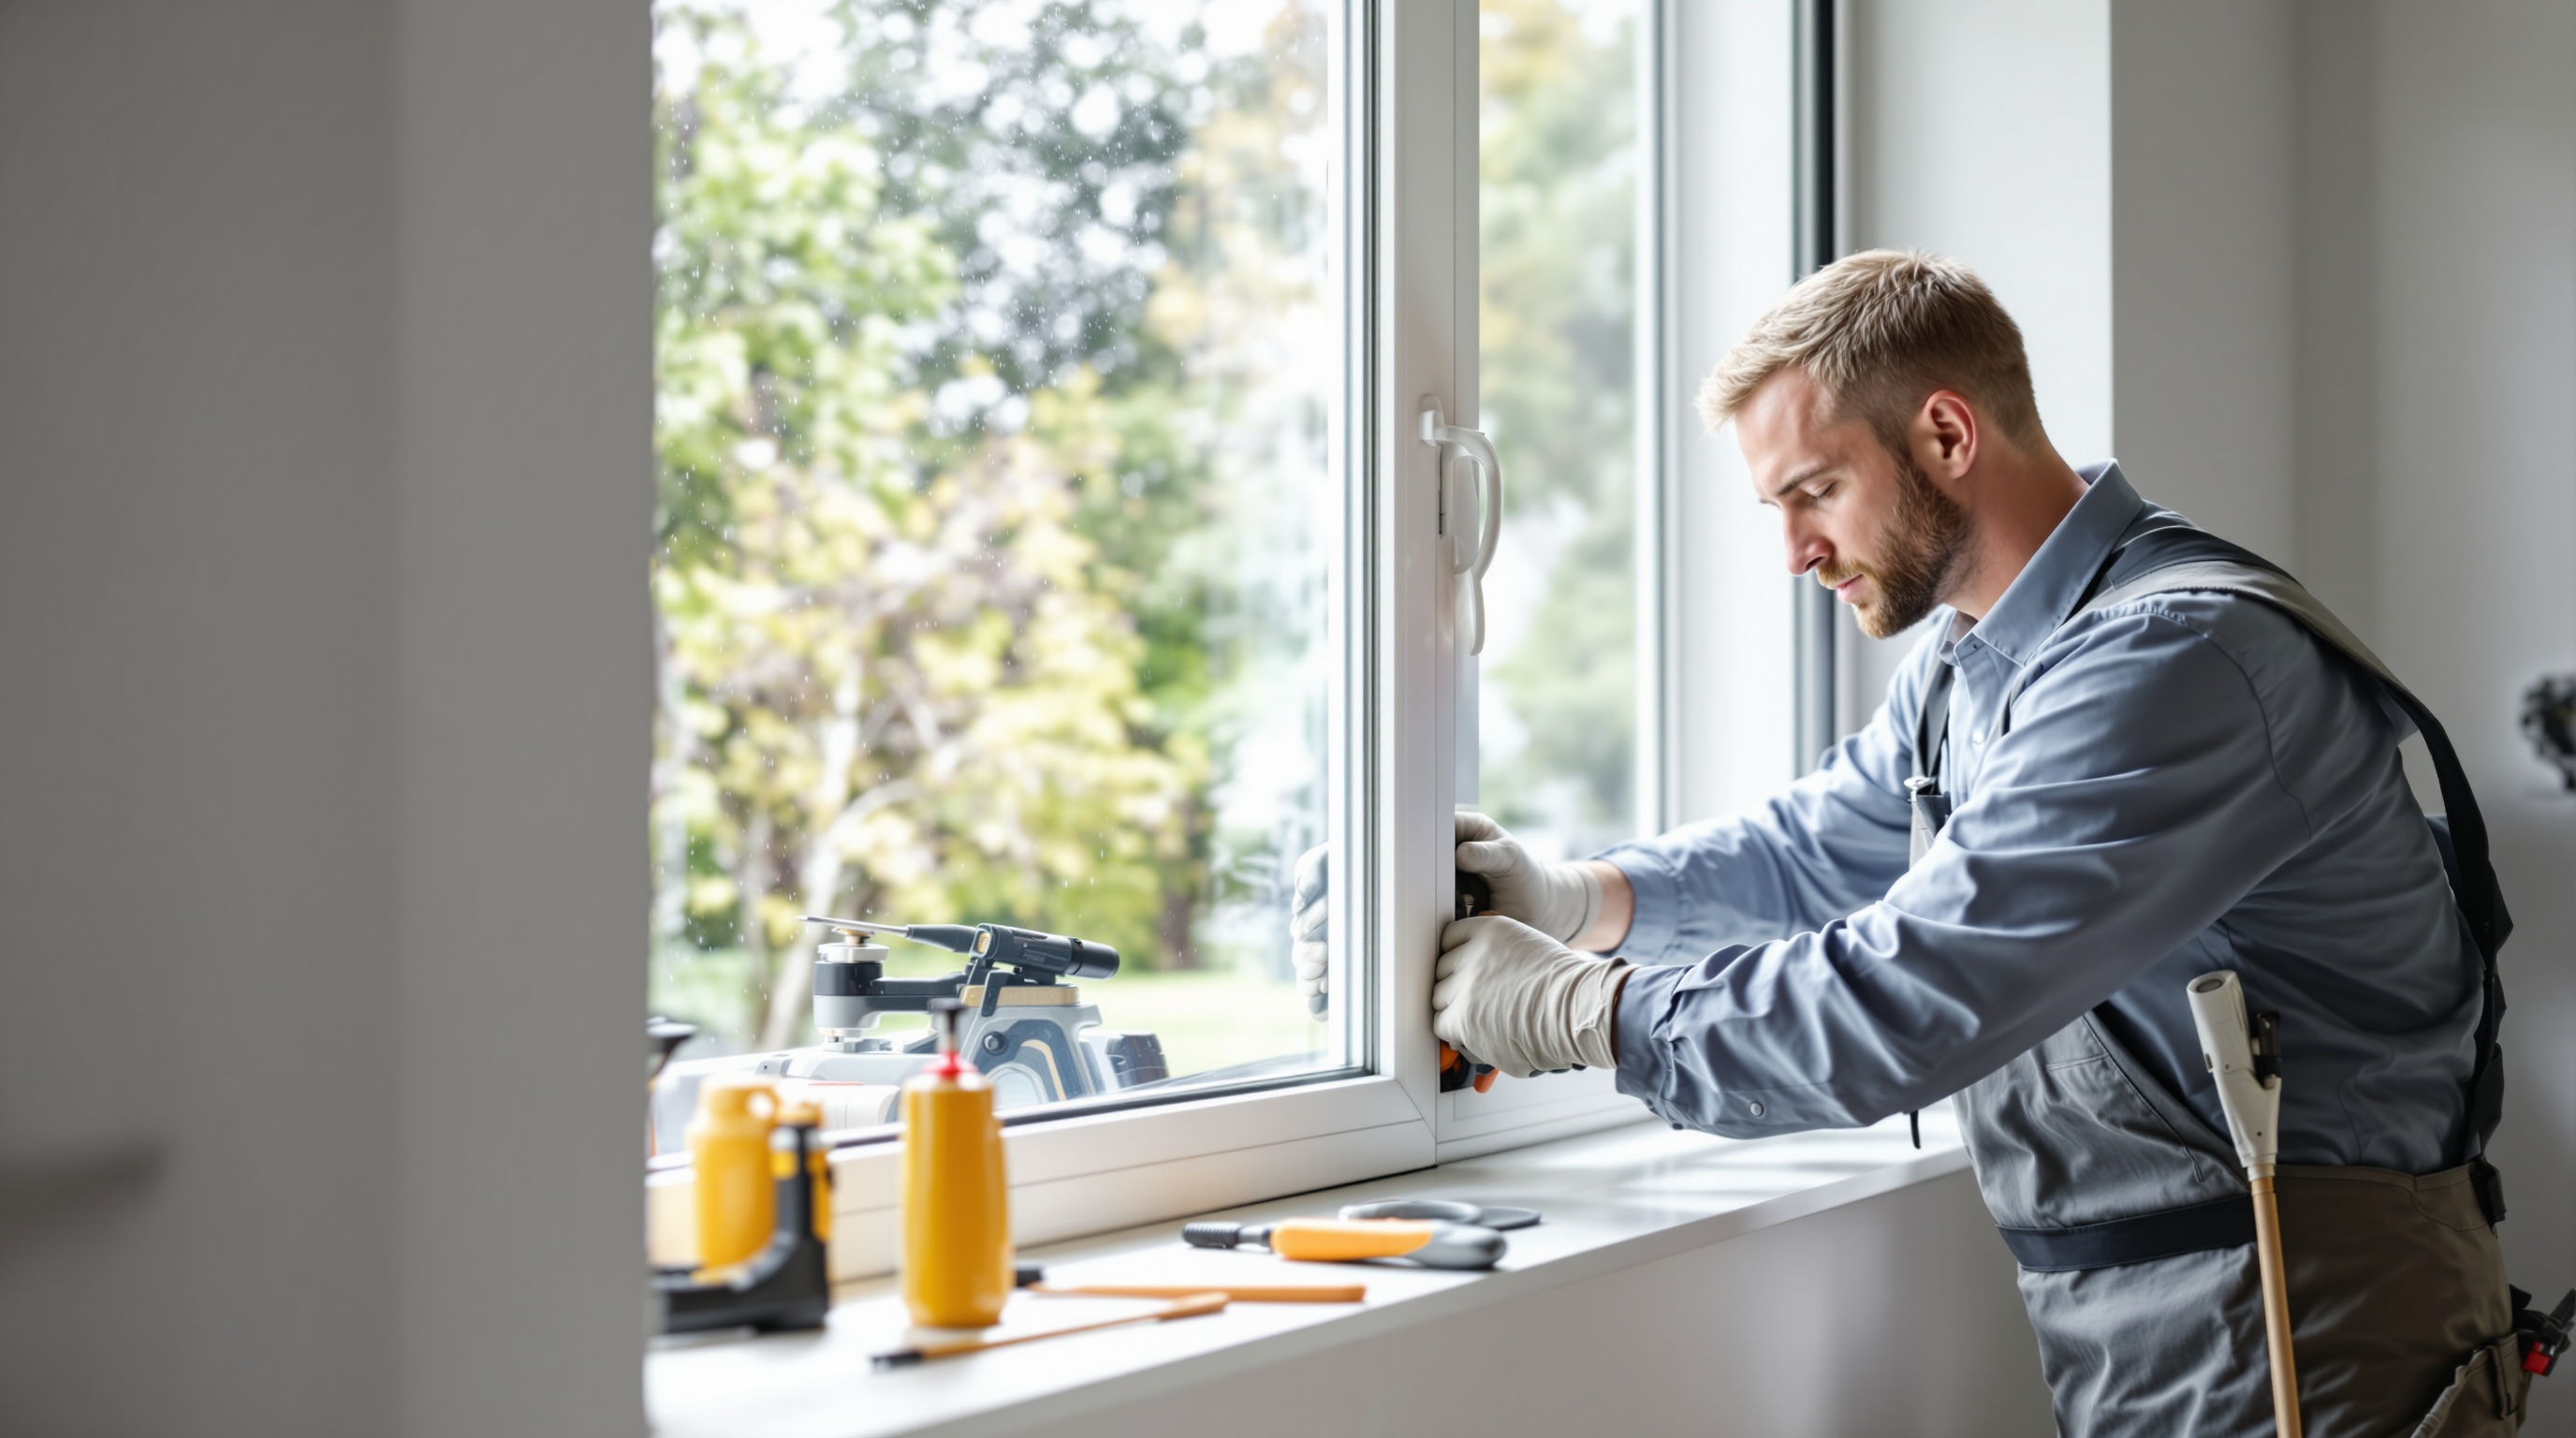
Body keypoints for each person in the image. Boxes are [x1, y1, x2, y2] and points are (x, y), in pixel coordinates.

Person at [1305, 251, 2534, 1436]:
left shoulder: (2179, 661)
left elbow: (1906, 1003)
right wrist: (1578, 897)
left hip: (2310, 1321)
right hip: (2159, 1324)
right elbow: (1811, 852)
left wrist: (1590, 1015)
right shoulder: (1975, 663)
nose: (1792, 552)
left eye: (1814, 491)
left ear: (1947, 436)